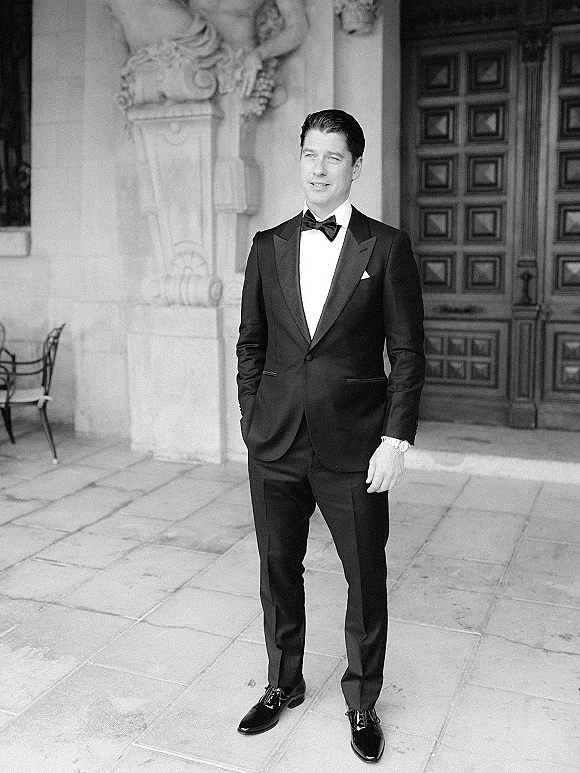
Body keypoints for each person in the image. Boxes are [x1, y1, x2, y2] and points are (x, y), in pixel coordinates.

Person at [236, 109, 425, 764]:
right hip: (278, 440)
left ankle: (363, 699)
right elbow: (251, 345)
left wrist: (395, 440)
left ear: (355, 166)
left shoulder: (387, 247)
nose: (319, 169)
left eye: (333, 157)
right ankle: (282, 681)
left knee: (364, 575)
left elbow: (407, 352)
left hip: (356, 446)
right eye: (310, 155)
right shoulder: (268, 245)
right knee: (278, 568)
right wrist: (250, 418)